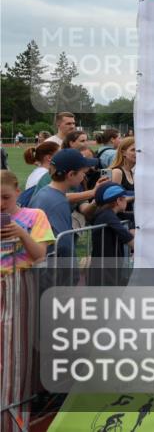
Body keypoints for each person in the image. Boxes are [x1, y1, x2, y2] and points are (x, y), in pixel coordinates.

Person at [1, 170, 55, 432]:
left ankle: (11, 422)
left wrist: (21, 234)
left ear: (18, 193)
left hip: (20, 285)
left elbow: (39, 255)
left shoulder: (35, 216)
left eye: (6, 197)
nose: (1, 204)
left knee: (14, 356)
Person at [30, 148, 98, 258]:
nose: (84, 176)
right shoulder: (58, 202)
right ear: (71, 174)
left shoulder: (44, 193)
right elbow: (63, 244)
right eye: (82, 172)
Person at [88, 183, 135, 286]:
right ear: (118, 201)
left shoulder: (110, 213)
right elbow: (125, 236)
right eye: (124, 198)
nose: (126, 201)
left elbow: (133, 217)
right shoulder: (107, 215)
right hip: (104, 268)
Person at [109, 137, 136, 206]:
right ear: (123, 153)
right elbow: (113, 200)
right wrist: (137, 197)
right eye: (133, 150)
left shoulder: (131, 171)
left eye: (138, 150)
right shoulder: (117, 172)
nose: (137, 153)